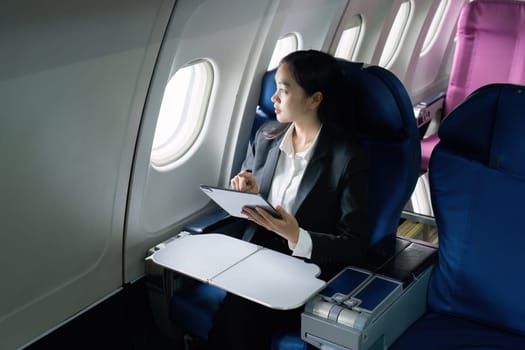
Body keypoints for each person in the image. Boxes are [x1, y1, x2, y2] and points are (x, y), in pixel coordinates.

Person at [207, 49, 370, 350]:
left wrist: (298, 236)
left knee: (238, 317)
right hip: (255, 255)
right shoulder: (267, 136)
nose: (273, 99)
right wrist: (249, 194)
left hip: (306, 267)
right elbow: (254, 207)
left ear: (315, 99)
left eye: (283, 90)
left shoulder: (348, 158)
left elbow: (355, 243)